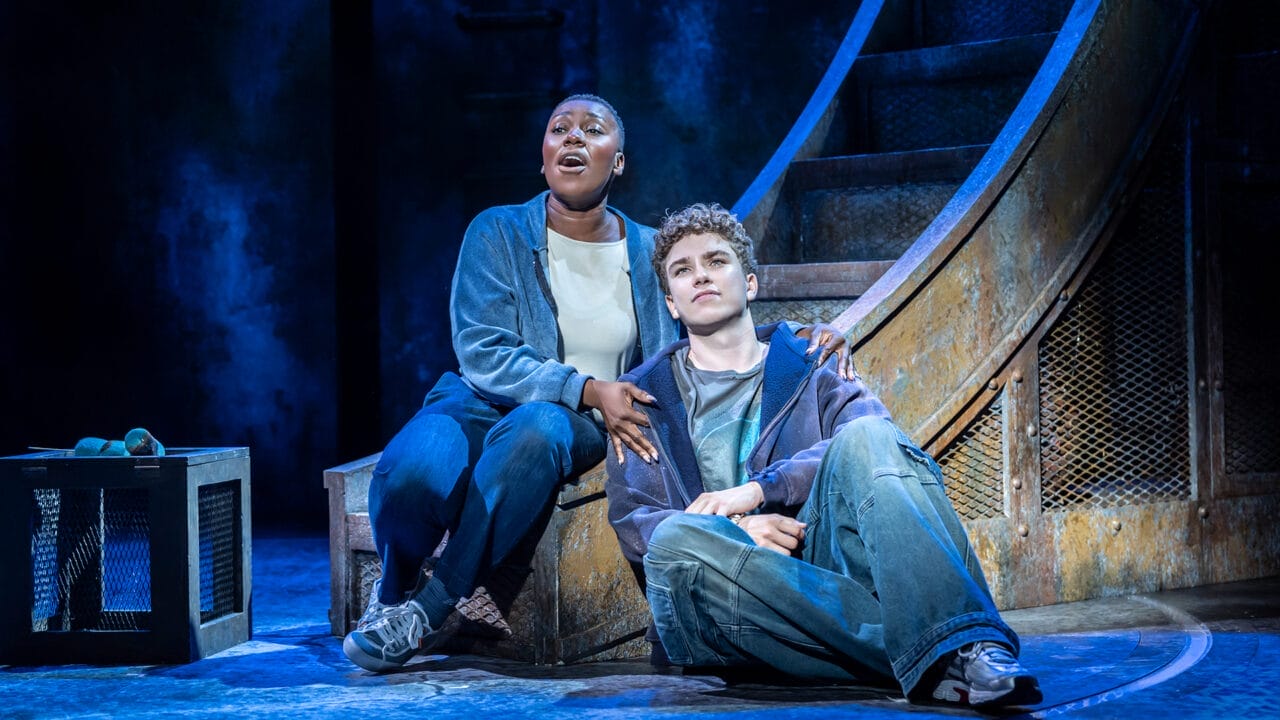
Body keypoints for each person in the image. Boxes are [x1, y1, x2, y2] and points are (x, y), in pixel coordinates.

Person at [343, 95, 852, 672]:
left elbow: (695, 325)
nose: (573, 139)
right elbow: (482, 349)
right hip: (481, 404)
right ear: (543, 159)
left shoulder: (644, 250)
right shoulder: (497, 230)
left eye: (592, 129)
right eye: (559, 129)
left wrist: (791, 335)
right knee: (414, 469)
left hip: (576, 423)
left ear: (619, 162)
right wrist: (585, 385)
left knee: (537, 429)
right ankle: (394, 588)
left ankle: (428, 610)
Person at [604, 202, 1043, 708]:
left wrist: (759, 491)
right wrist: (739, 528)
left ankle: (939, 651)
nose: (700, 275)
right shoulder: (641, 397)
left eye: (716, 261)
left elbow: (876, 441)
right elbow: (637, 521)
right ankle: (941, 645)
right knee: (676, 539)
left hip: (822, 563)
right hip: (733, 598)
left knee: (869, 438)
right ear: (672, 303)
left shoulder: (813, 364)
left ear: (750, 283)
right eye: (683, 270)